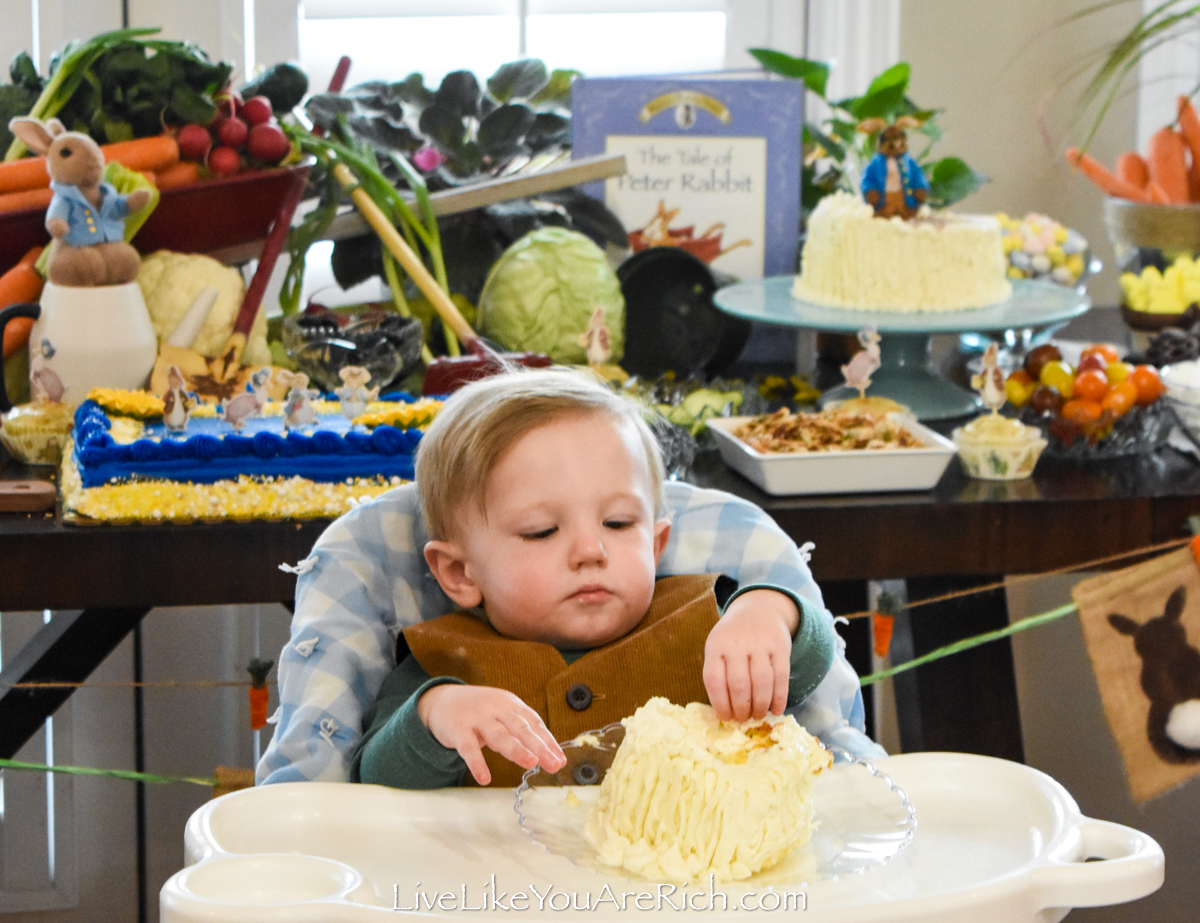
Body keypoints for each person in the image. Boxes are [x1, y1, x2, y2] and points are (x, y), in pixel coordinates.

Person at [257, 372, 884, 786]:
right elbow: (375, 780)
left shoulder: (706, 621)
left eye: (618, 523)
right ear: (458, 572)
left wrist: (770, 616)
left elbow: (802, 665)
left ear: (657, 541)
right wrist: (438, 715)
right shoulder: (444, 659)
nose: (590, 550)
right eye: (540, 532)